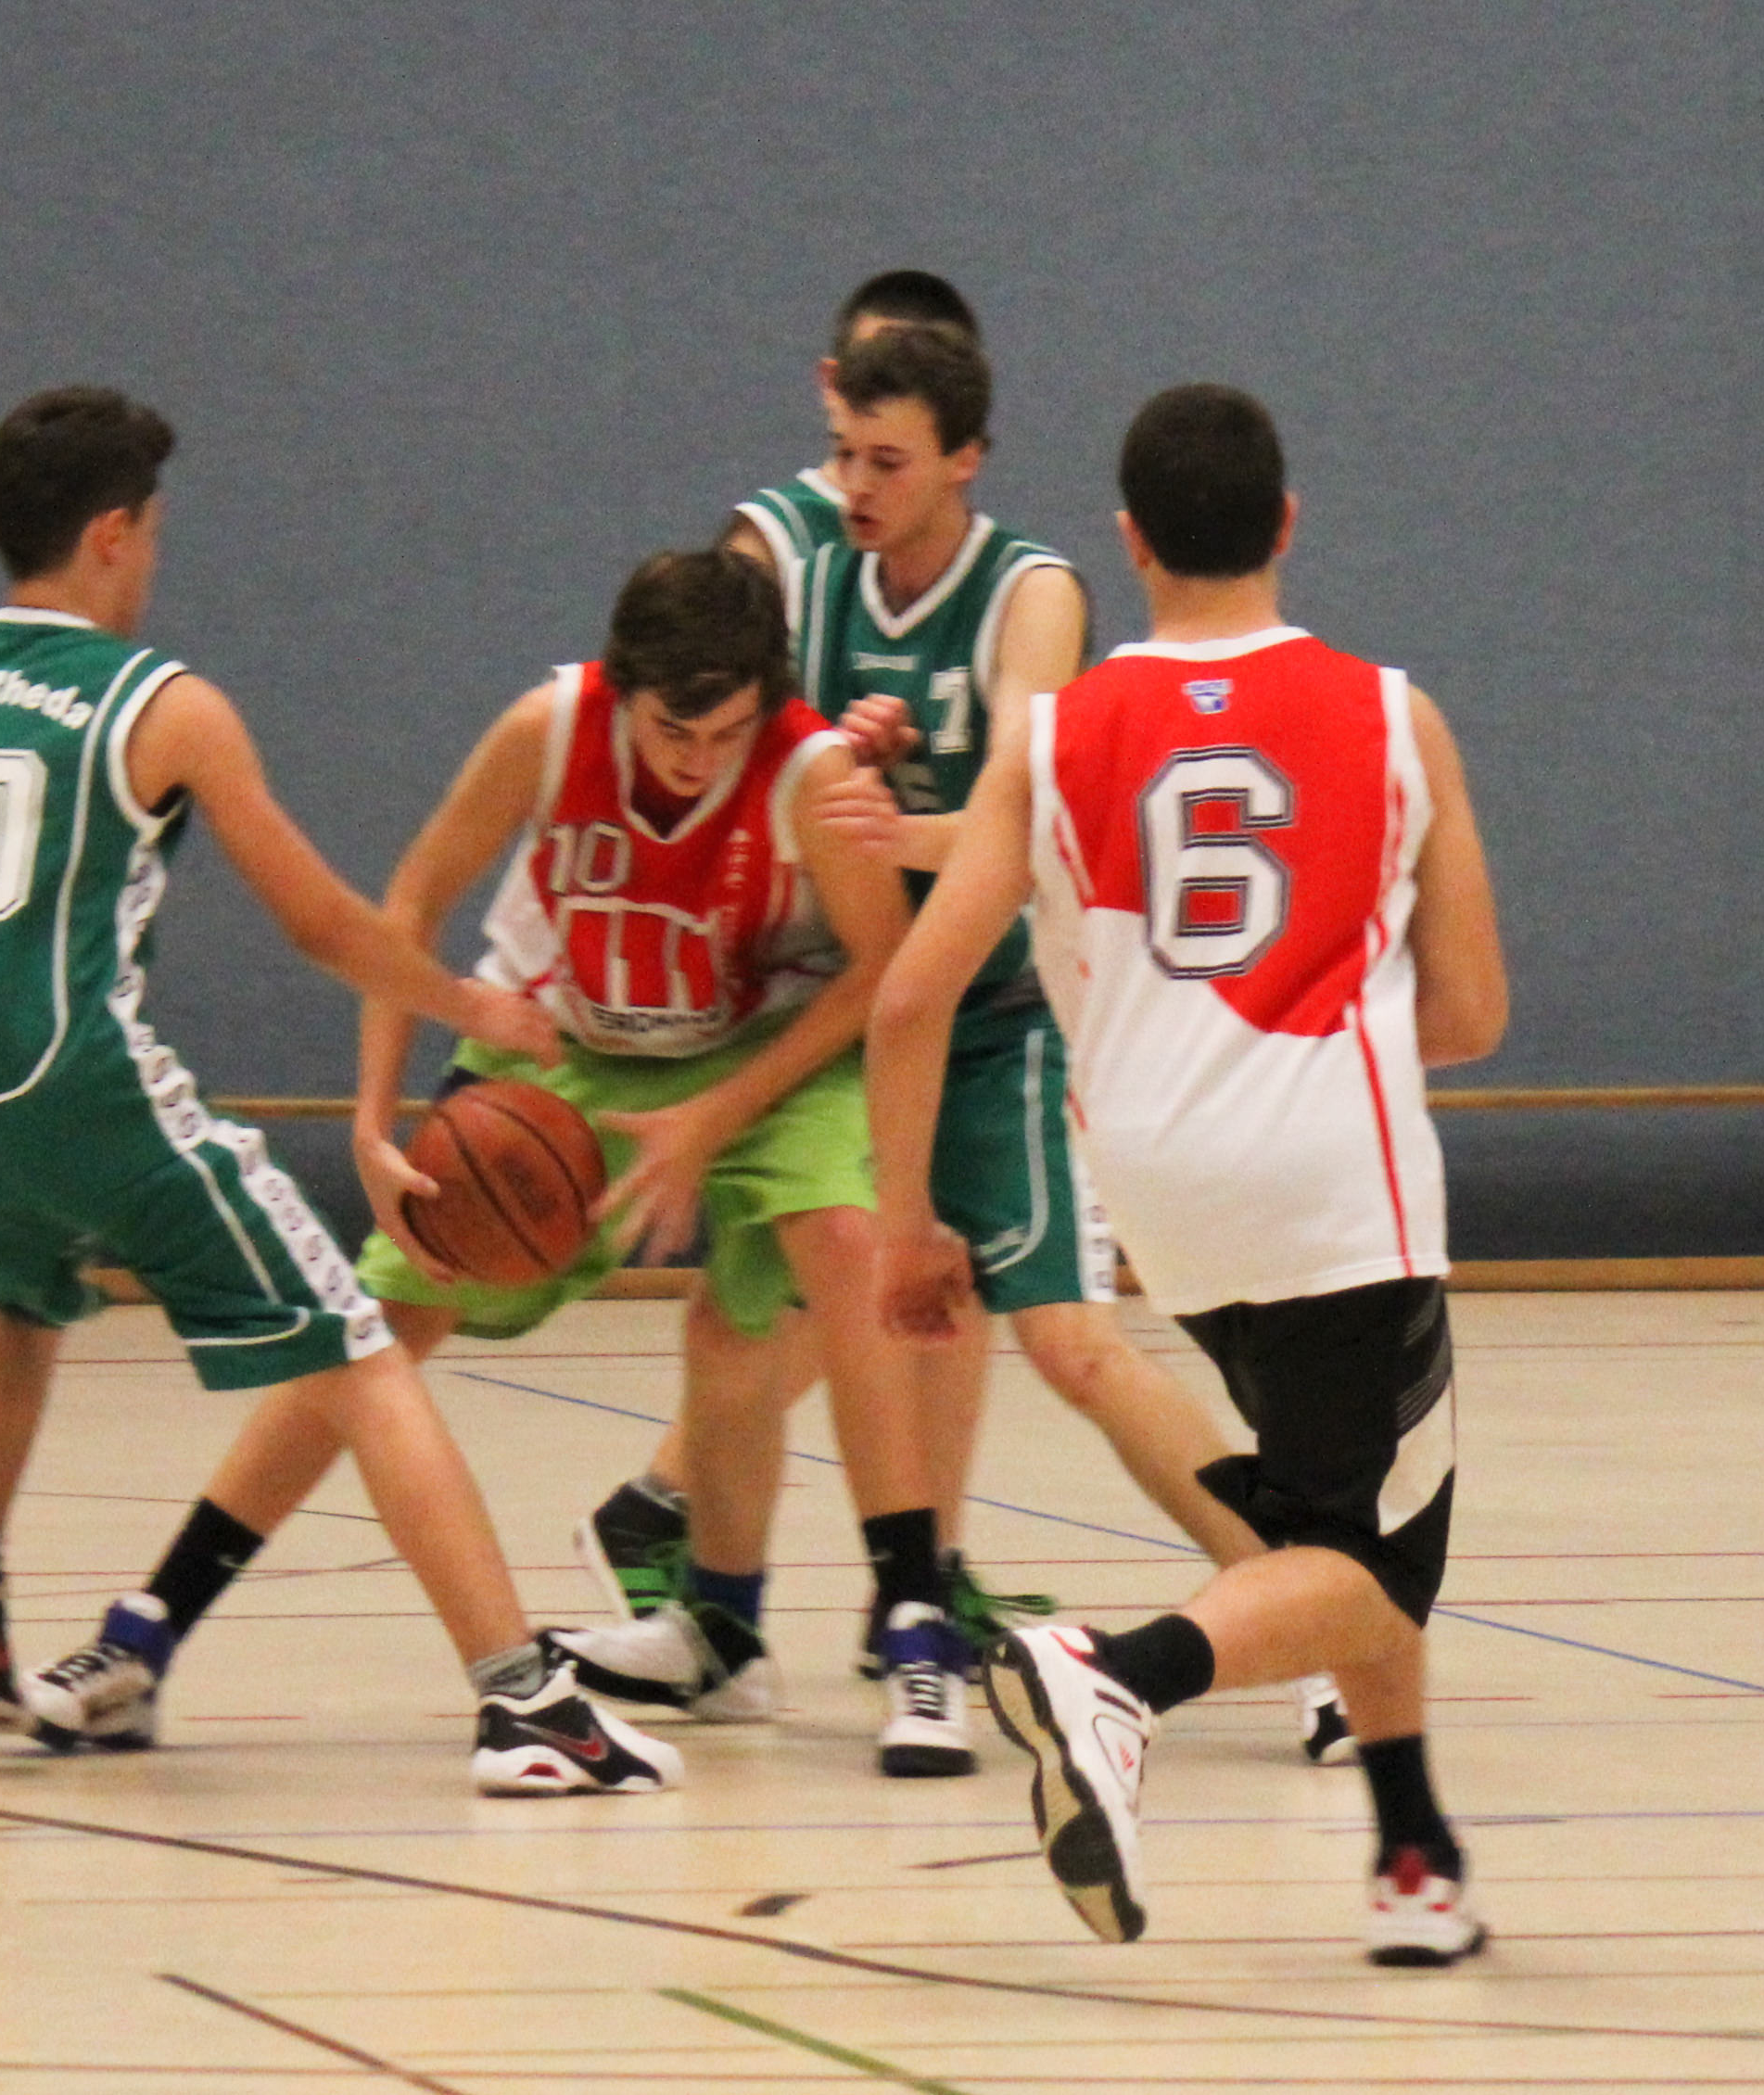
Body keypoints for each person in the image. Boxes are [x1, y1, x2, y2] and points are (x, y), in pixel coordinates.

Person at [588, 296, 1353, 1766]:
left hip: (992, 1019)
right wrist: (824, 762)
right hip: (845, 1012)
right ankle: (723, 1624)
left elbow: (1031, 797)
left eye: (886, 461)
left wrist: (888, 817)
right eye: (843, 455)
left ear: (964, 461)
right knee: (751, 1321)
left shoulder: (1030, 592)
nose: (855, 487)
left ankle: (1310, 1615)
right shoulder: (797, 558)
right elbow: (714, 722)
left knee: (1072, 1344)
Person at [0, 387, 677, 1797]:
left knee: (16, 1297)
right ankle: (527, 1705)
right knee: (361, 1353)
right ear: (113, 534)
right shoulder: (163, 703)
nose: (156, 557)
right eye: (154, 531)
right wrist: (471, 1007)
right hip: (77, 1083)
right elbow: (319, 922)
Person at [868, 382, 1505, 1964]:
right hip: (1332, 1181)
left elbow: (907, 1002)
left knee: (1326, 1513)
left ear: (1133, 542)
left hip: (1161, 1195)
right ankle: (1119, 1677)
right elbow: (1474, 1014)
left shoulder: (1053, 735)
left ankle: (1413, 1855)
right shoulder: (1393, 714)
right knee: (1382, 1568)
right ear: (1286, 522)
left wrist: (909, 1227)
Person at [343, 550, 968, 1776]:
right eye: (675, 729)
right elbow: (407, 901)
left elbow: (883, 968)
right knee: (383, 1320)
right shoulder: (550, 729)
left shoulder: (805, 769)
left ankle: (917, 1625)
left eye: (725, 732)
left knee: (846, 1249)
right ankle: (156, 1620)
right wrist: (373, 1119)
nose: (696, 757)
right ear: (625, 689)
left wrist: (717, 1116)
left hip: (768, 1050)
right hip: (583, 1046)